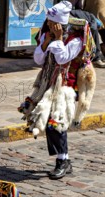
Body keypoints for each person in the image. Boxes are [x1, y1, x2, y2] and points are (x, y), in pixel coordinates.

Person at [22, 1, 88, 179]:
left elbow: (62, 58)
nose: (50, 26)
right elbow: (38, 59)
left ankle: (63, 160)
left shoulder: (75, 39)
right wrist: (45, 44)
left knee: (55, 121)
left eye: (54, 24)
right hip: (46, 82)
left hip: (65, 84)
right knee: (50, 122)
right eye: (49, 23)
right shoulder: (46, 35)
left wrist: (59, 39)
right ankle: (63, 159)